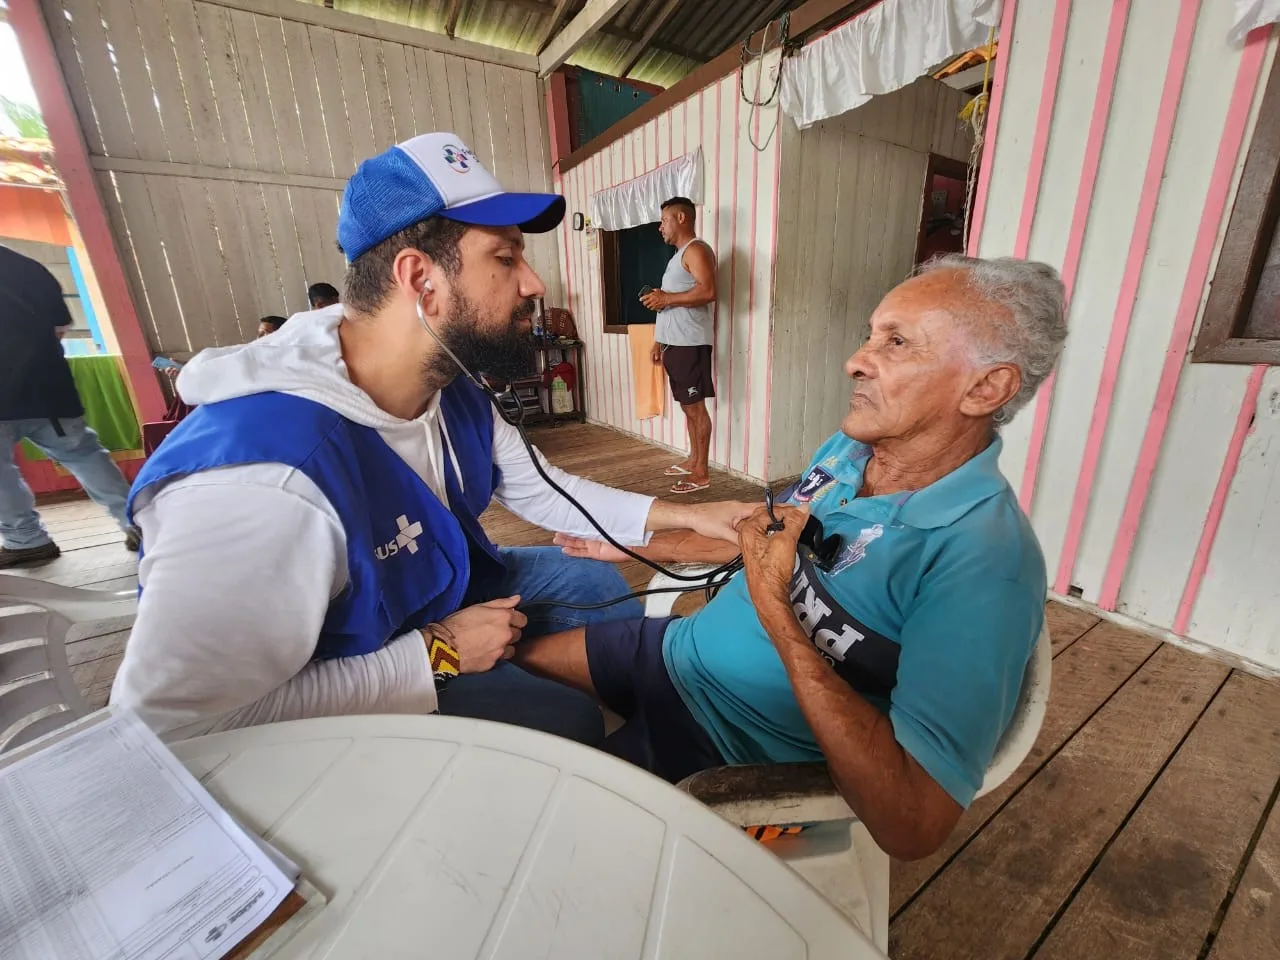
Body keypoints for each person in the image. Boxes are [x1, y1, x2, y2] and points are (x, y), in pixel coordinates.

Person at [110, 132, 753, 744]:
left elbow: (545, 490)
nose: (533, 284)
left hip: (425, 594)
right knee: (569, 726)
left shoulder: (447, 385)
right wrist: (436, 654)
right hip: (349, 666)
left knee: (597, 585)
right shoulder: (264, 479)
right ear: (421, 280)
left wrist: (698, 514)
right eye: (506, 258)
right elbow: (174, 725)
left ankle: (530, 676)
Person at [517, 256, 1068, 861]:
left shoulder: (985, 561)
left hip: (731, 756)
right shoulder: (850, 451)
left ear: (986, 387)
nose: (856, 360)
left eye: (897, 342)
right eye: (870, 334)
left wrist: (776, 611)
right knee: (511, 664)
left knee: (538, 828)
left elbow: (914, 823)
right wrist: (635, 545)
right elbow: (760, 535)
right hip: (676, 652)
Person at [0, 244, 140, 568]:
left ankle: (26, 541)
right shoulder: (28, 268)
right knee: (85, 455)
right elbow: (59, 329)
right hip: (50, 387)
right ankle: (138, 524)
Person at [640, 197, 717, 495]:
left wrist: (667, 299)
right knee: (688, 407)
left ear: (681, 218)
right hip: (675, 344)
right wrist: (660, 340)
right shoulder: (677, 257)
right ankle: (693, 460)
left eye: (664, 221)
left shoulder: (696, 249)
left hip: (690, 344)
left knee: (696, 409)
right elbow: (668, 303)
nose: (660, 228)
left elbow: (709, 291)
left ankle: (702, 473)